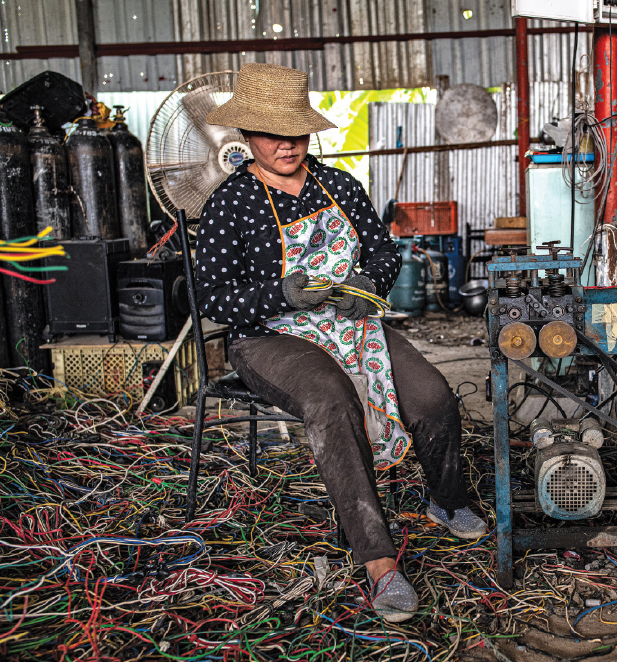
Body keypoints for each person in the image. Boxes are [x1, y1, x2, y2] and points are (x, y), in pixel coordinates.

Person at [195, 63, 487, 623]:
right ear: (245, 137)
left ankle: (447, 500)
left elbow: (382, 253)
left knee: (432, 396)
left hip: (348, 321)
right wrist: (279, 294)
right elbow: (212, 301)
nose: (287, 143)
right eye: (273, 133)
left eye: (297, 132)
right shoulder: (229, 205)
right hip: (268, 337)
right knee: (333, 402)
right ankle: (379, 563)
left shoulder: (339, 185)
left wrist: (368, 288)